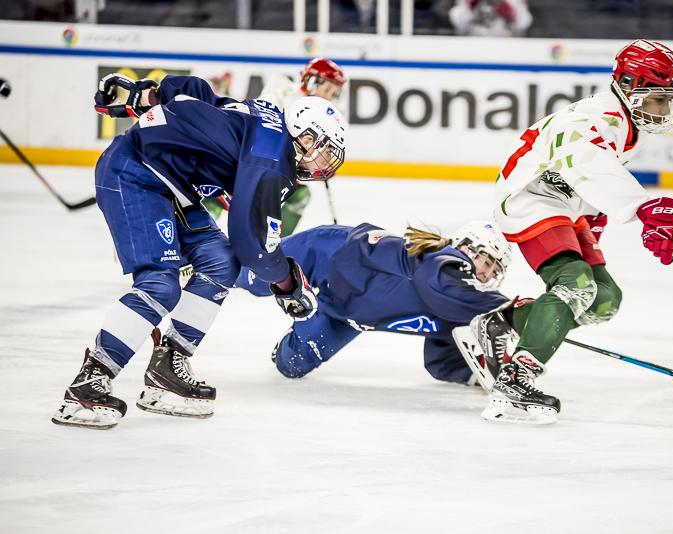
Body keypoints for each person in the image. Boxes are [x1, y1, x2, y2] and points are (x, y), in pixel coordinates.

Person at [51, 74, 348, 429]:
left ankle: (168, 365)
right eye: (326, 150)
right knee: (160, 284)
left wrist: (152, 93)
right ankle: (91, 379)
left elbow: (196, 93)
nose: (325, 163)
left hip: (169, 180)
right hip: (135, 174)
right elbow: (252, 244)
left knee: (221, 261)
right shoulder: (273, 160)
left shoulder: (267, 116)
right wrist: (286, 283)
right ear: (306, 136)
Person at [472, 39, 673, 423]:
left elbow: (587, 175)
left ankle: (507, 320)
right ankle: (517, 377)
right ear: (626, 83)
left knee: (604, 299)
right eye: (656, 98)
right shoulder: (596, 116)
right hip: (529, 197)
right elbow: (582, 158)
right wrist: (642, 206)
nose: (662, 109)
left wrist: (596, 216)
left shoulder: (624, 124)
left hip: (564, 204)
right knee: (576, 284)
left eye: (668, 99)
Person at [238, 221, 514, 383]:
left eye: (494, 271)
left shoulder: (456, 303)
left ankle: (306, 316)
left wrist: (474, 374)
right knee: (243, 273)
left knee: (291, 365)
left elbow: (441, 361)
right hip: (321, 254)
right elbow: (364, 239)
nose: (487, 274)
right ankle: (200, 250)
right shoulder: (432, 260)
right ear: (464, 247)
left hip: (344, 314)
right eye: (485, 261)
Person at [260, 57, 347, 237]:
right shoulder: (283, 91)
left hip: (283, 169)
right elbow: (263, 119)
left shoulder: (321, 111)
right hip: (258, 162)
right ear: (312, 81)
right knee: (220, 196)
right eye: (328, 89)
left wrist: (322, 162)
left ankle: (277, 242)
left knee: (300, 196)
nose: (330, 96)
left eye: (334, 92)